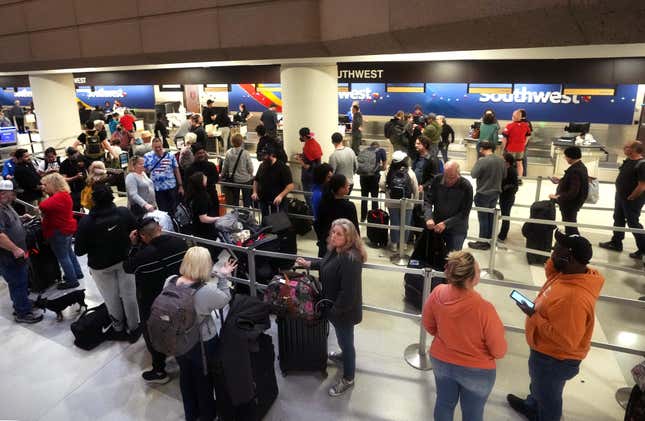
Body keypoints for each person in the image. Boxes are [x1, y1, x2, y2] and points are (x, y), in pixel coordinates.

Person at [507, 231, 604, 421]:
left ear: (570, 258)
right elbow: (552, 273)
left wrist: (533, 315)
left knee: (549, 398)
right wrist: (556, 259)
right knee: (538, 386)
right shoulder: (570, 274)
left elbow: (565, 341)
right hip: (544, 352)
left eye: (558, 249)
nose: (553, 250)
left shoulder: (574, 298)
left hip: (554, 360)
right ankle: (532, 406)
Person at [422, 251, 507, 421]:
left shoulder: (437, 293)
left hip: (441, 362)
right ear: (471, 278)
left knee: (444, 403)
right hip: (478, 371)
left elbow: (428, 324)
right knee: (473, 413)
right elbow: (499, 351)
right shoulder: (484, 309)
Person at [296, 218, 365, 397]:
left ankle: (348, 378)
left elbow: (348, 294)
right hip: (335, 308)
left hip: (343, 312)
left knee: (347, 343)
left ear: (349, 237)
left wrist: (333, 312)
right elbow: (326, 265)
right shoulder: (336, 251)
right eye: (332, 232)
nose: (333, 236)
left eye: (339, 234)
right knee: (344, 340)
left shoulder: (350, 259)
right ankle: (343, 356)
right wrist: (310, 264)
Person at [171, 246, 233, 421]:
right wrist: (223, 277)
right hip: (202, 342)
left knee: (186, 376)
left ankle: (191, 414)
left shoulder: (170, 280)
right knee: (203, 380)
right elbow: (224, 299)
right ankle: (207, 415)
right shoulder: (205, 292)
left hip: (177, 340)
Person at [123, 217, 188, 384]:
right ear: (159, 227)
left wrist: (133, 246)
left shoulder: (142, 256)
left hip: (153, 301)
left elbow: (127, 267)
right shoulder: (180, 243)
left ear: (142, 236)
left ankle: (160, 370)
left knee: (151, 332)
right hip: (180, 294)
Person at [75, 184, 140, 341]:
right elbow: (137, 231)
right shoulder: (124, 212)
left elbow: (79, 251)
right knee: (130, 295)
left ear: (93, 200)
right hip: (125, 260)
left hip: (101, 266)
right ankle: (134, 328)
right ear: (112, 196)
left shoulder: (86, 222)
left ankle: (118, 329)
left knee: (111, 299)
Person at [0, 180, 43, 323]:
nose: (14, 197)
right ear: (2, 194)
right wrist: (14, 249)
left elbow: (8, 222)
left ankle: (21, 303)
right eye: (12, 194)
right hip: (9, 255)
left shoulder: (6, 205)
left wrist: (21, 218)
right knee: (18, 282)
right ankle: (22, 313)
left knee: (20, 281)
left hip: (18, 251)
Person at [599, 140, 645, 259]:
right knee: (618, 218)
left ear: (634, 149)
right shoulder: (628, 161)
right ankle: (616, 242)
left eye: (627, 147)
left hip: (632, 199)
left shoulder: (642, 164)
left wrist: (632, 197)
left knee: (633, 222)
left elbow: (642, 185)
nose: (624, 148)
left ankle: (643, 248)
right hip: (621, 197)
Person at [39, 173, 84, 290]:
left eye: (45, 185)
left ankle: (72, 280)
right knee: (69, 253)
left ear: (52, 184)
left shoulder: (58, 197)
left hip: (58, 230)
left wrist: (46, 195)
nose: (43, 187)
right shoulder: (65, 195)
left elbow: (43, 206)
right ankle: (77, 273)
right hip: (66, 228)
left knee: (63, 256)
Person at [424, 161, 473, 251]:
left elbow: (465, 212)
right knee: (435, 256)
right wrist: (428, 217)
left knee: (453, 259)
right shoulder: (437, 180)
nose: (448, 181)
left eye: (452, 178)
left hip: (457, 229)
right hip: (437, 226)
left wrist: (446, 223)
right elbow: (428, 201)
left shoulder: (466, 186)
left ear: (459, 174)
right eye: (446, 177)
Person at [468, 141, 506, 250]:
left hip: (483, 193)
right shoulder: (501, 160)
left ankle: (483, 242)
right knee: (490, 217)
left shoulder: (482, 161)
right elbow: (504, 175)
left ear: (483, 148)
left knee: (483, 218)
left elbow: (473, 174)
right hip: (495, 192)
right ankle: (489, 240)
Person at [316, 174, 360, 257]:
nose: (349, 187)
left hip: (326, 244)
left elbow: (319, 224)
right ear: (340, 189)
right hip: (343, 247)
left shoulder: (323, 203)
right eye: (346, 186)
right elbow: (355, 229)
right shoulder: (349, 206)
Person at [548, 146, 589, 236]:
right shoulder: (580, 167)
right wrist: (560, 181)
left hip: (570, 204)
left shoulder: (575, 170)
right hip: (572, 203)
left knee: (570, 226)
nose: (565, 158)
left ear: (570, 157)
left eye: (566, 156)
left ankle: (575, 245)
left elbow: (573, 192)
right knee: (570, 224)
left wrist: (557, 197)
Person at [384, 150, 418, 250]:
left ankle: (394, 244)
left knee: (395, 223)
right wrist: (415, 201)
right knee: (406, 224)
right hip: (407, 202)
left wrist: (388, 190)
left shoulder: (388, 171)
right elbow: (415, 187)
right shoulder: (410, 171)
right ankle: (403, 244)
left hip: (392, 202)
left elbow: (381, 184)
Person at [252, 145, 294, 216]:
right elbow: (256, 180)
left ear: (272, 155)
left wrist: (280, 196)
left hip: (277, 203)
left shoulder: (283, 167)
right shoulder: (262, 166)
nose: (263, 158)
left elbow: (290, 186)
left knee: (278, 225)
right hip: (264, 201)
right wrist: (255, 192)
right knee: (265, 223)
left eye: (265, 156)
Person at [144, 138, 184, 213]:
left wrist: (180, 185)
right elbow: (145, 171)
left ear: (162, 145)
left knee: (175, 209)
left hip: (171, 186)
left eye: (159, 147)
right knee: (163, 210)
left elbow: (176, 170)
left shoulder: (170, 155)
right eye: (156, 147)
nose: (158, 149)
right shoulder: (147, 156)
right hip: (157, 189)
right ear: (152, 147)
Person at [221, 133, 254, 207]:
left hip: (234, 180)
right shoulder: (246, 153)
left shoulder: (228, 153)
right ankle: (246, 213)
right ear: (242, 142)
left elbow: (225, 166)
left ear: (231, 142)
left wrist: (221, 175)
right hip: (246, 179)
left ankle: (236, 213)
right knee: (246, 199)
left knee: (235, 199)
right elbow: (250, 167)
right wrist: (251, 174)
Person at [186, 171, 220, 241]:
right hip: (205, 231)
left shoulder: (191, 194)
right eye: (204, 177)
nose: (206, 177)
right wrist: (218, 218)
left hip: (196, 227)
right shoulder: (202, 197)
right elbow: (203, 218)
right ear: (200, 182)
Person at [358, 142, 386, 221]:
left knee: (364, 197)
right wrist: (377, 168)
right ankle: (374, 218)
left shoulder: (364, 151)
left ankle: (363, 217)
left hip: (363, 177)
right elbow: (384, 167)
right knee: (374, 198)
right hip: (374, 177)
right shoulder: (381, 151)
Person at [294, 127, 322, 207]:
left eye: (301, 136)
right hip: (316, 175)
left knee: (308, 197)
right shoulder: (314, 143)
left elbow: (307, 166)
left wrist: (299, 159)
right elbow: (314, 158)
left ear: (304, 137)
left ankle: (311, 216)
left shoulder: (308, 147)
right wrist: (302, 155)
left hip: (308, 176)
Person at [501, 109, 531, 181]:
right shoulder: (526, 126)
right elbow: (528, 136)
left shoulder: (509, 126)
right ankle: (519, 179)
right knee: (519, 163)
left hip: (510, 148)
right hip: (520, 149)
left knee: (507, 164)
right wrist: (524, 144)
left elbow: (504, 138)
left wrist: (503, 148)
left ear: (514, 117)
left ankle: (506, 178)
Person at [497, 153, 519, 242]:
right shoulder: (506, 169)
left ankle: (503, 235)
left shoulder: (511, 171)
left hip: (507, 197)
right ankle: (502, 234)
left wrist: (504, 188)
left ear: (507, 162)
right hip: (505, 196)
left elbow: (515, 186)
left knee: (505, 216)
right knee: (505, 215)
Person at [60, 147, 89, 212]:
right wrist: (76, 177)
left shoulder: (82, 159)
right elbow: (64, 179)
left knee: (89, 206)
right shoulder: (64, 164)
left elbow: (90, 169)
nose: (75, 156)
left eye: (76, 154)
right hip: (73, 191)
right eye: (72, 155)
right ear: (68, 155)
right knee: (76, 209)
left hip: (85, 188)